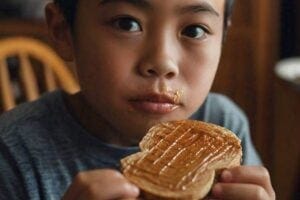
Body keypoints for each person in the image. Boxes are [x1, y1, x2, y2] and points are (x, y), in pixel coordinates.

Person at [0, 0, 275, 199]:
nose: (162, 62)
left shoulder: (222, 131)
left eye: (194, 30)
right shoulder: (11, 153)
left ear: (223, 36)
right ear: (63, 30)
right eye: (127, 23)